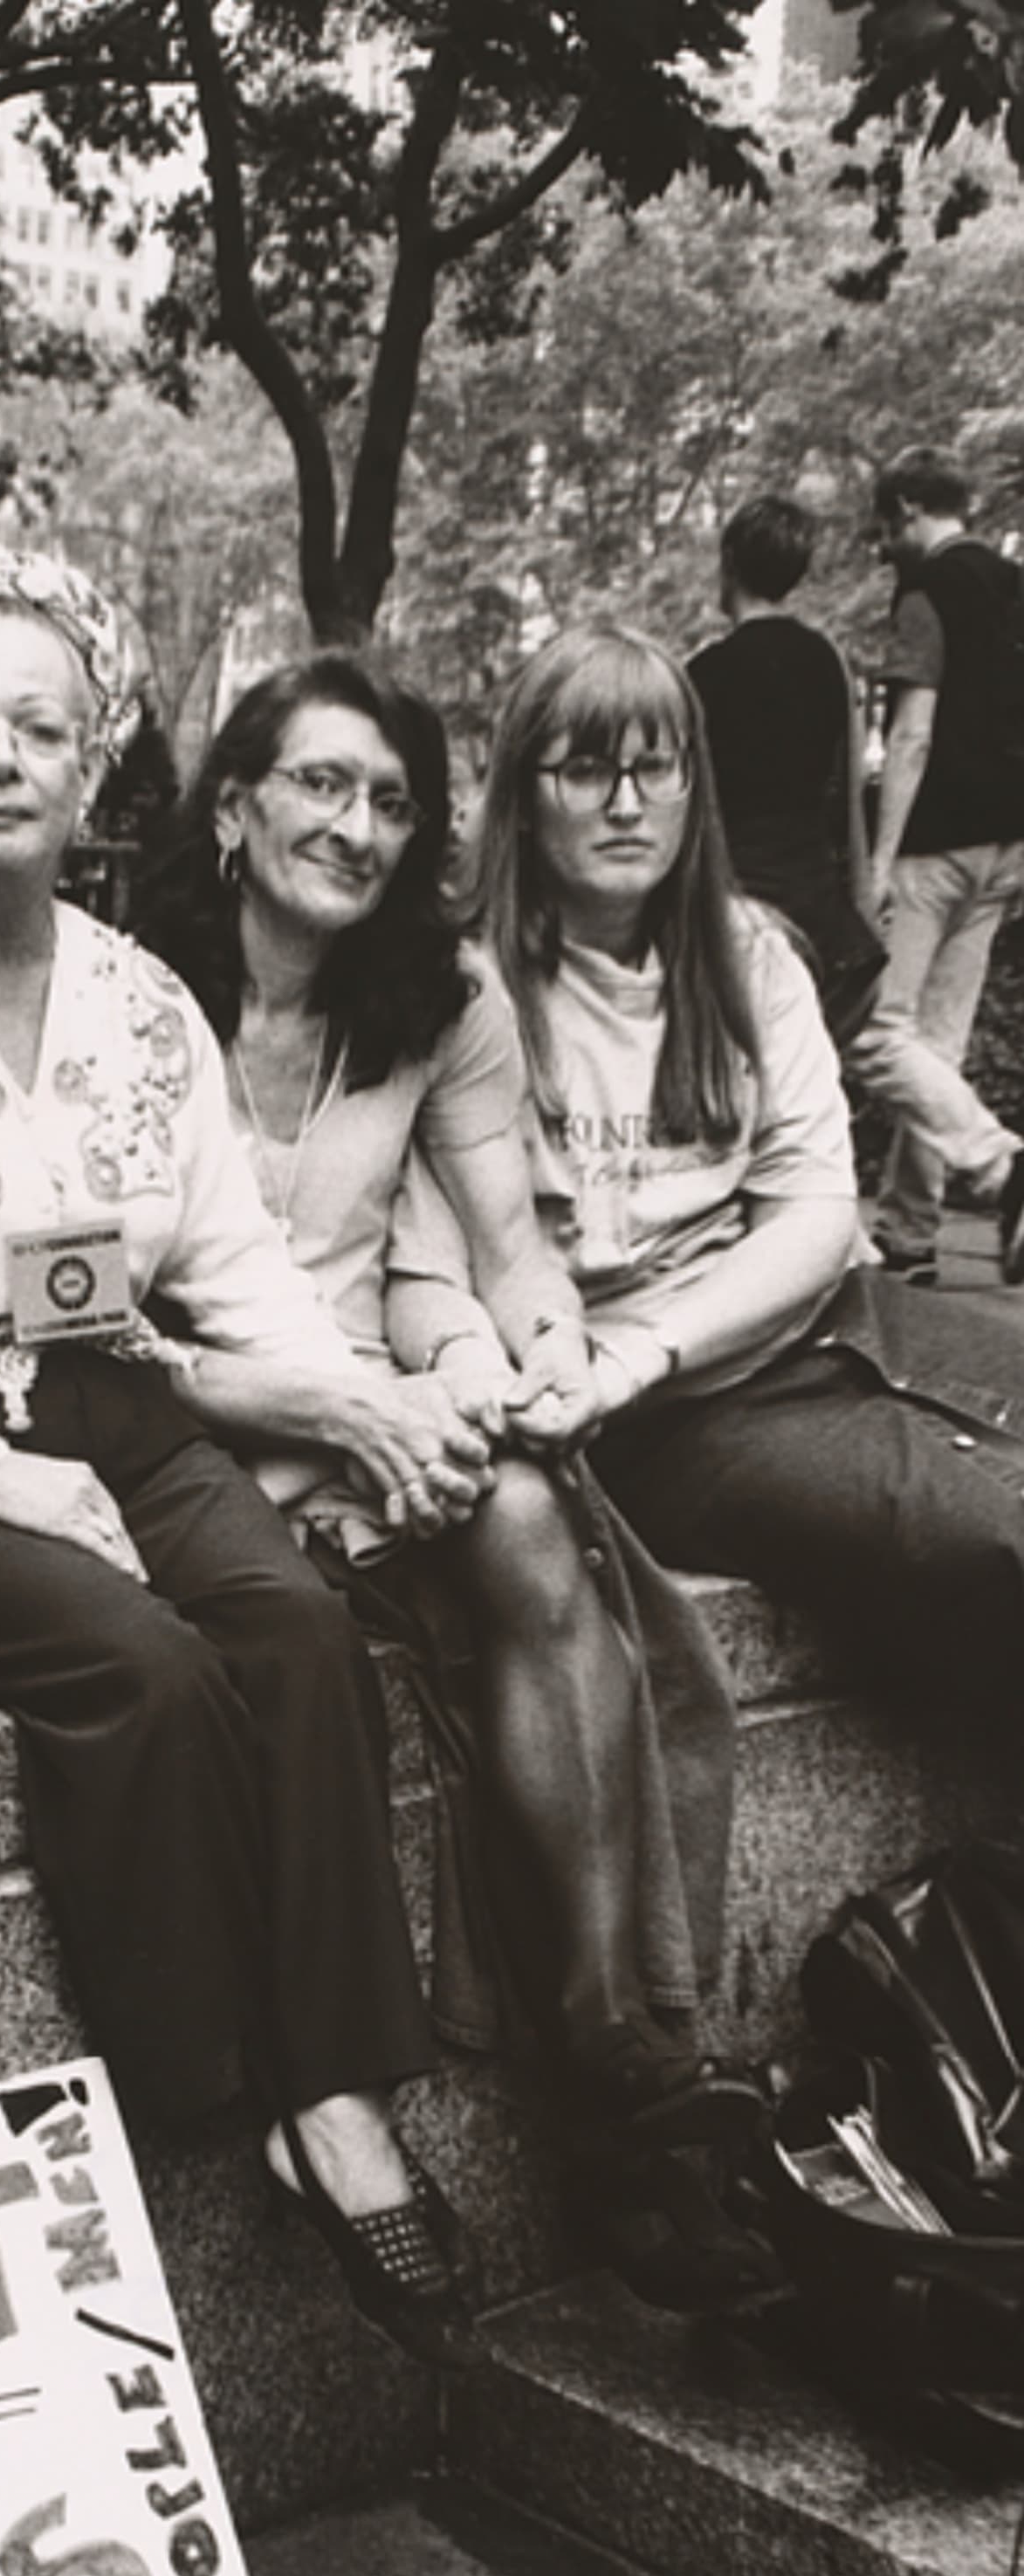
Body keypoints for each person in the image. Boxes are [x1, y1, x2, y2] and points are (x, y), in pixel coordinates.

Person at [0, 547, 497, 2365]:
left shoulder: (144, 1001)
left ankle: (342, 2095)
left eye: (39, 728)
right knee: (143, 1670)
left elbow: (228, 1264)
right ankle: (210, 2098)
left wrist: (354, 1405)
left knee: (292, 1629)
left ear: (94, 758)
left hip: (115, 1399)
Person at [138, 650, 764, 2310]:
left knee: (535, 1526)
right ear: (234, 802)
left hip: (374, 1398)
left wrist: (531, 1364)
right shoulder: (121, 988)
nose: (352, 828)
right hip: (174, 1420)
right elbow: (80, 1331)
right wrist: (344, 1417)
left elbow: (498, 1253)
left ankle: (615, 2044)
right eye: (320, 785)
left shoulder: (439, 998)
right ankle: (592, 2092)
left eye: (390, 801)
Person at [421, 620, 1024, 1755]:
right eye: (587, 768)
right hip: (653, 1423)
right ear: (522, 790)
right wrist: (611, 1364)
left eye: (657, 767)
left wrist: (659, 1341)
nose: (626, 801)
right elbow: (449, 1258)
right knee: (992, 1532)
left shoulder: (750, 957)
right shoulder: (461, 986)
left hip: (809, 1333)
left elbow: (813, 1211)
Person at [860, 449, 1024, 1285]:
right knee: (939, 1046)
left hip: (938, 844)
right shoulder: (1015, 588)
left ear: (913, 507)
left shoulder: (928, 595)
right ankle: (911, 1233)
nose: (884, 547)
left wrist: (880, 859)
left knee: (877, 1036)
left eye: (886, 528)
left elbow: (911, 735)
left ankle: (1003, 1166)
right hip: (1009, 846)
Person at [688, 494, 884, 1050]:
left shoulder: (703, 674)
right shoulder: (828, 661)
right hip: (820, 910)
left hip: (738, 912)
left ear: (728, 560)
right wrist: (861, 906)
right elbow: (846, 798)